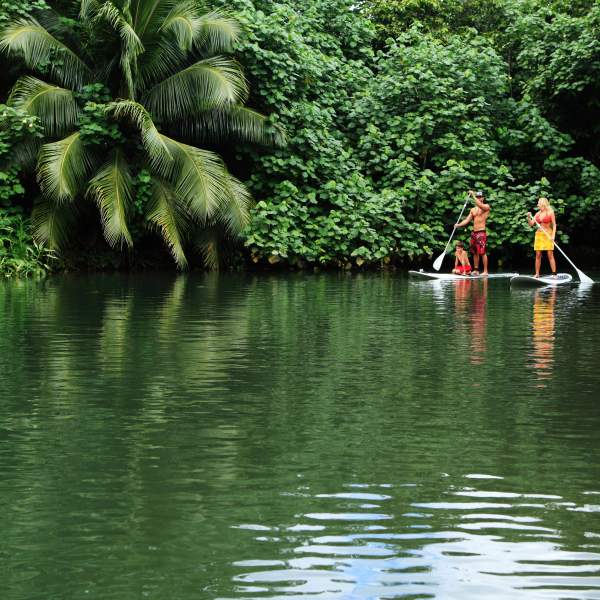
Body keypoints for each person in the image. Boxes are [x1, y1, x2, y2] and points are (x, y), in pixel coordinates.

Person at [455, 190, 491, 275]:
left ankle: (485, 271)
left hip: (481, 232)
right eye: (478, 197)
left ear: (483, 198)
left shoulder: (486, 206)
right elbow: (467, 220)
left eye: (480, 197)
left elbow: (480, 205)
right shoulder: (473, 210)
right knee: (474, 252)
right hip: (474, 233)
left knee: (482, 252)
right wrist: (458, 225)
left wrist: (473, 195)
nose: (479, 198)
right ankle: (476, 270)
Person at [527, 197, 557, 278]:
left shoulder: (550, 212)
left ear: (543, 204)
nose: (537, 205)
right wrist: (529, 217)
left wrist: (553, 235)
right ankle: (537, 273)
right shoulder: (537, 214)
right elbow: (531, 224)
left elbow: (554, 225)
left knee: (550, 254)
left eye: (538, 203)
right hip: (539, 235)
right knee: (538, 255)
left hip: (548, 234)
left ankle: (554, 274)